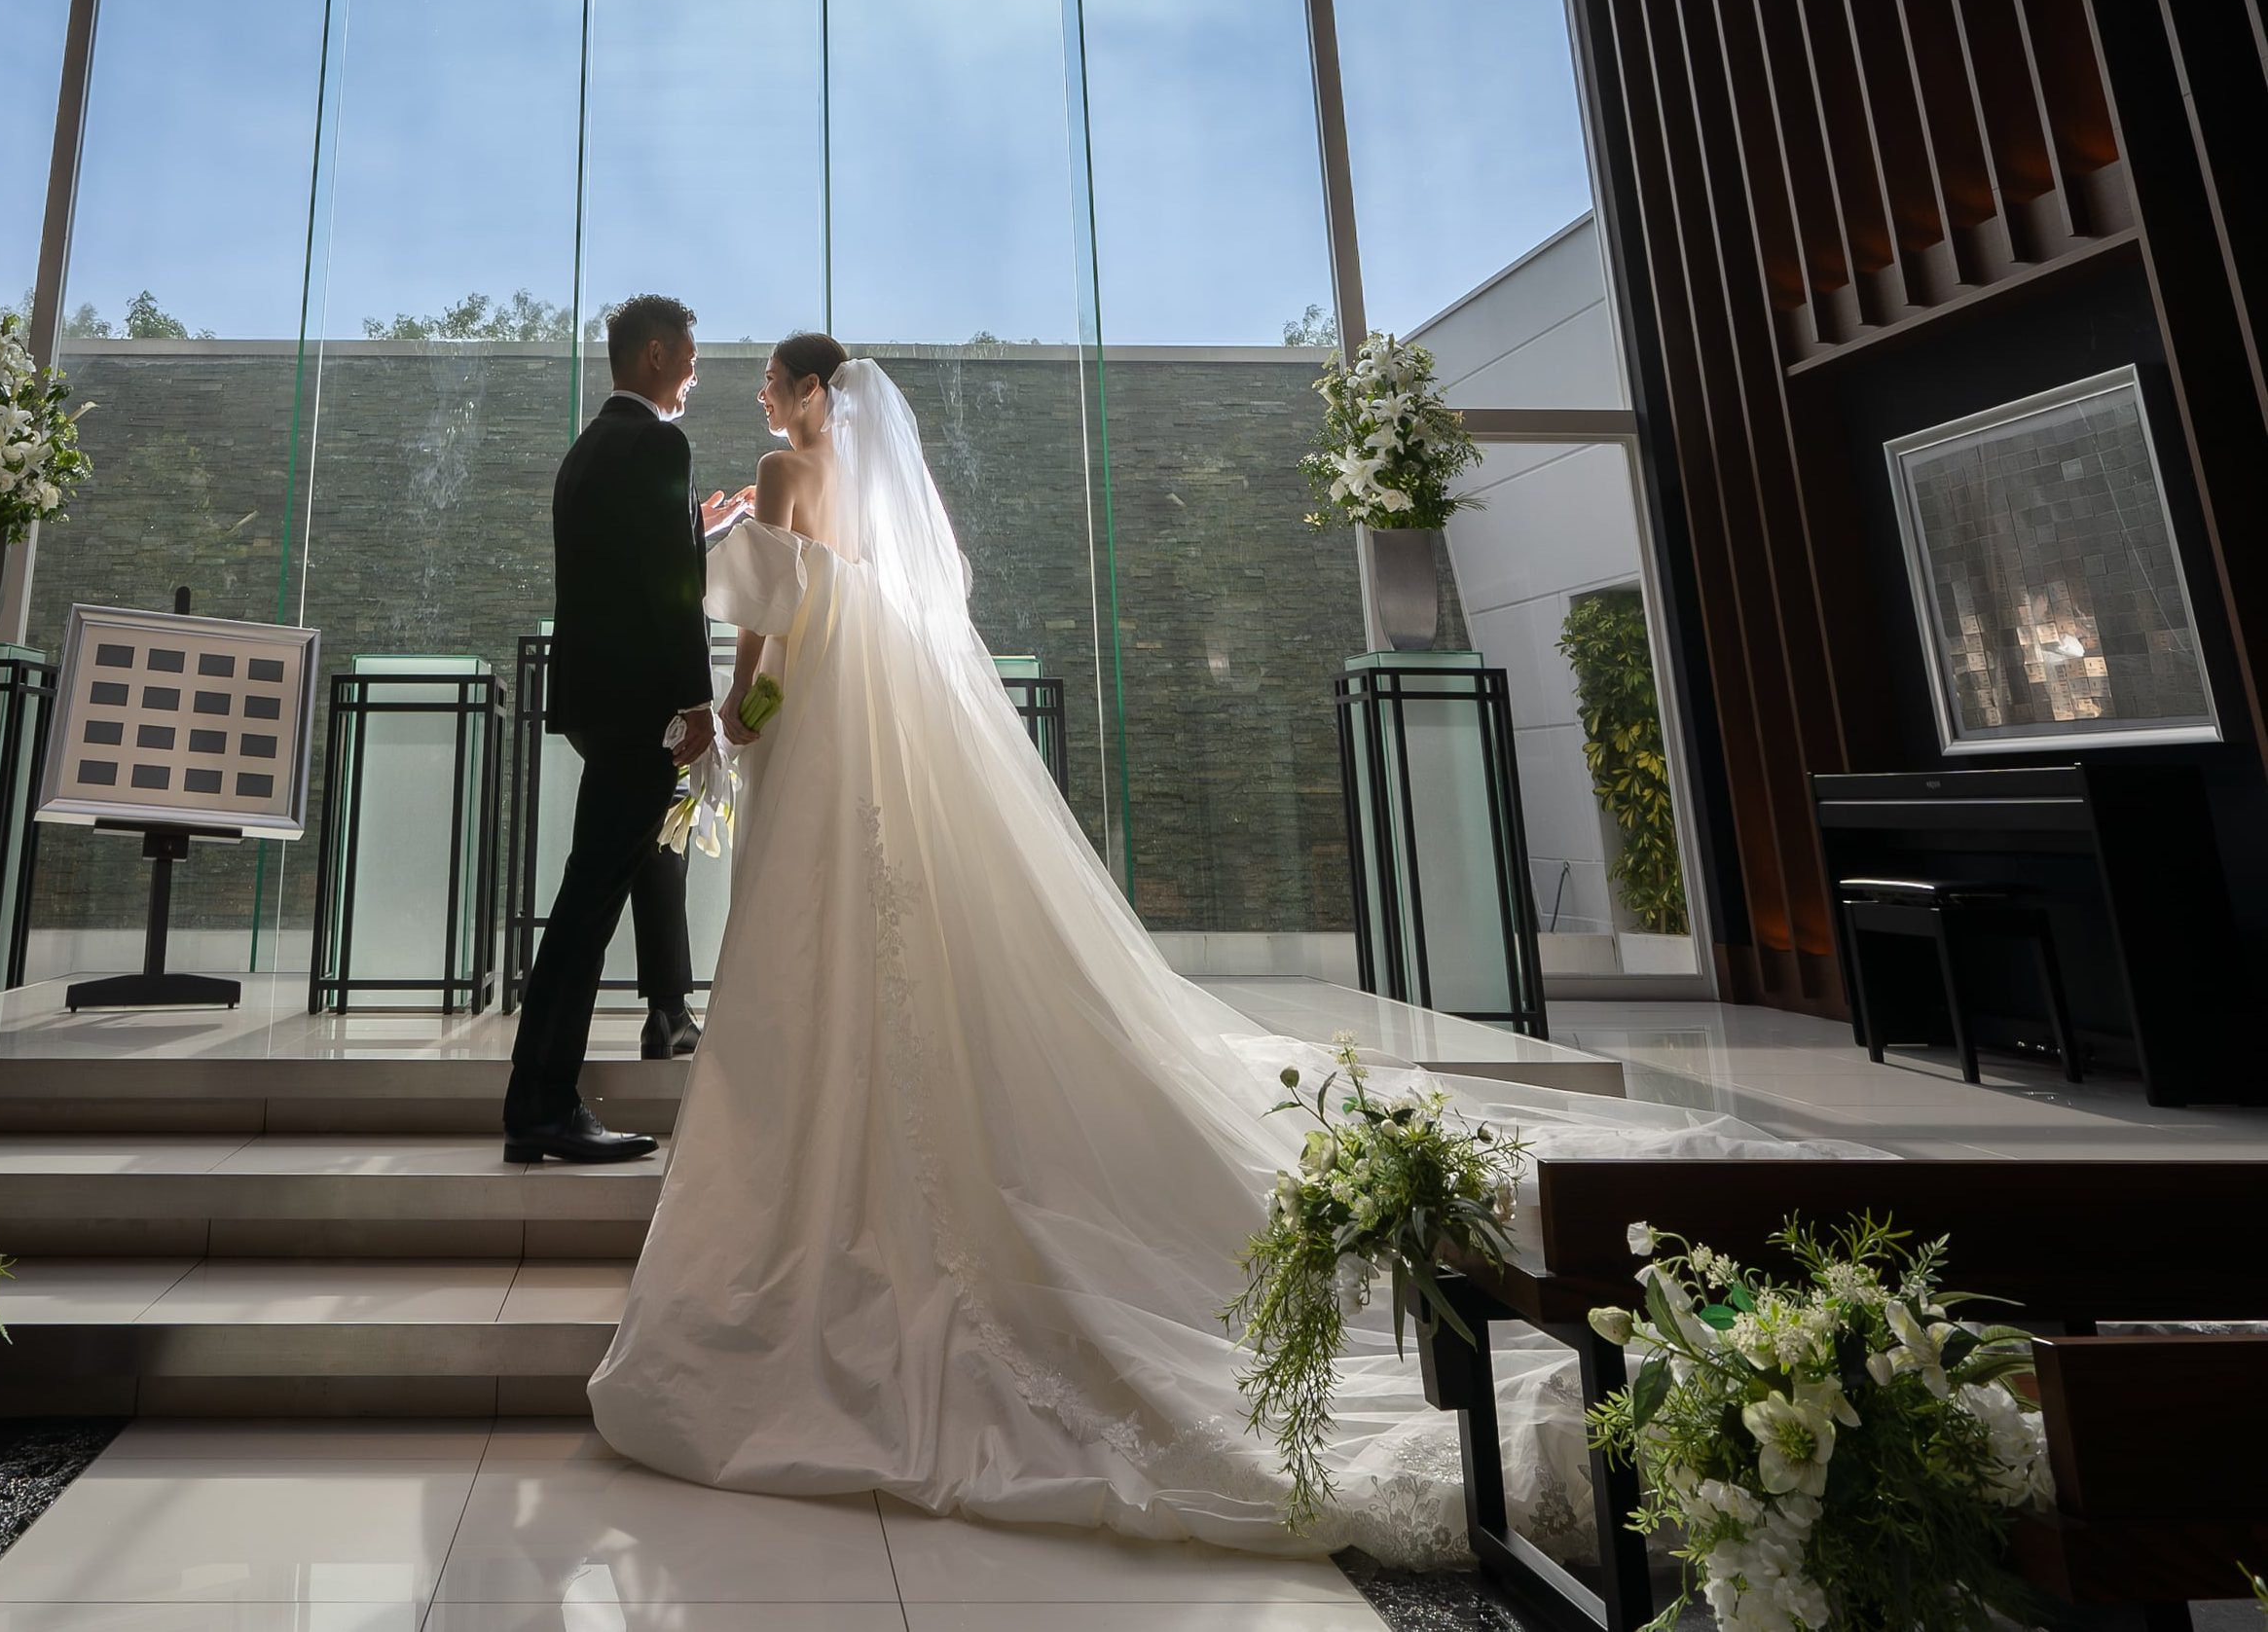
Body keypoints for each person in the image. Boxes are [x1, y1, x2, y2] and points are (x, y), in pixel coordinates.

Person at [588, 338, 1819, 1558]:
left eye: (774, 382)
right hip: (874, 721)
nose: (762, 396)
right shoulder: (860, 487)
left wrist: (736, 703)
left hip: (816, 724)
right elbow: (853, 586)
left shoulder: (782, 468)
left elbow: (772, 623)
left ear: (813, 391)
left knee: (818, 929)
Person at [501, 293, 746, 1165]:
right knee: (585, 909)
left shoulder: (588, 449)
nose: (694, 375)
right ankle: (541, 1106)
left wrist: (697, 527)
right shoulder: (659, 444)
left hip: (593, 706)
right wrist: (694, 702)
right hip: (644, 710)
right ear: (655, 355)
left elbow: (629, 561)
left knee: (594, 893)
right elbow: (668, 590)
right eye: (691, 358)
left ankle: (566, 1084)